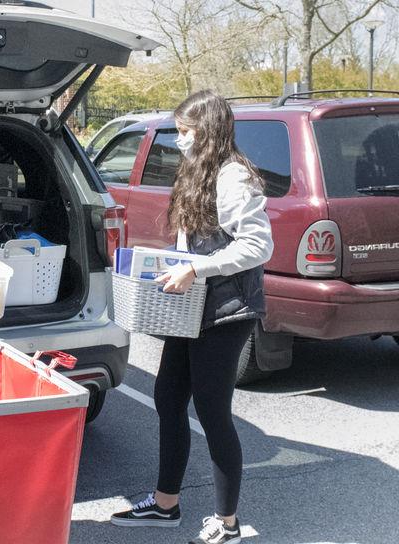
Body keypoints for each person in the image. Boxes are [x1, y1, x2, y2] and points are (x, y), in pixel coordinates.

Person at [110, 90, 273, 544]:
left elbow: (259, 245)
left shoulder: (233, 176)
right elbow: (194, 240)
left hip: (226, 309)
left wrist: (196, 268)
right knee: (167, 396)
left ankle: (228, 525)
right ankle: (166, 505)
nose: (179, 140)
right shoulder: (198, 170)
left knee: (213, 412)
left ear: (209, 130)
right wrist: (172, 264)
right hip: (192, 306)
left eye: (185, 132)